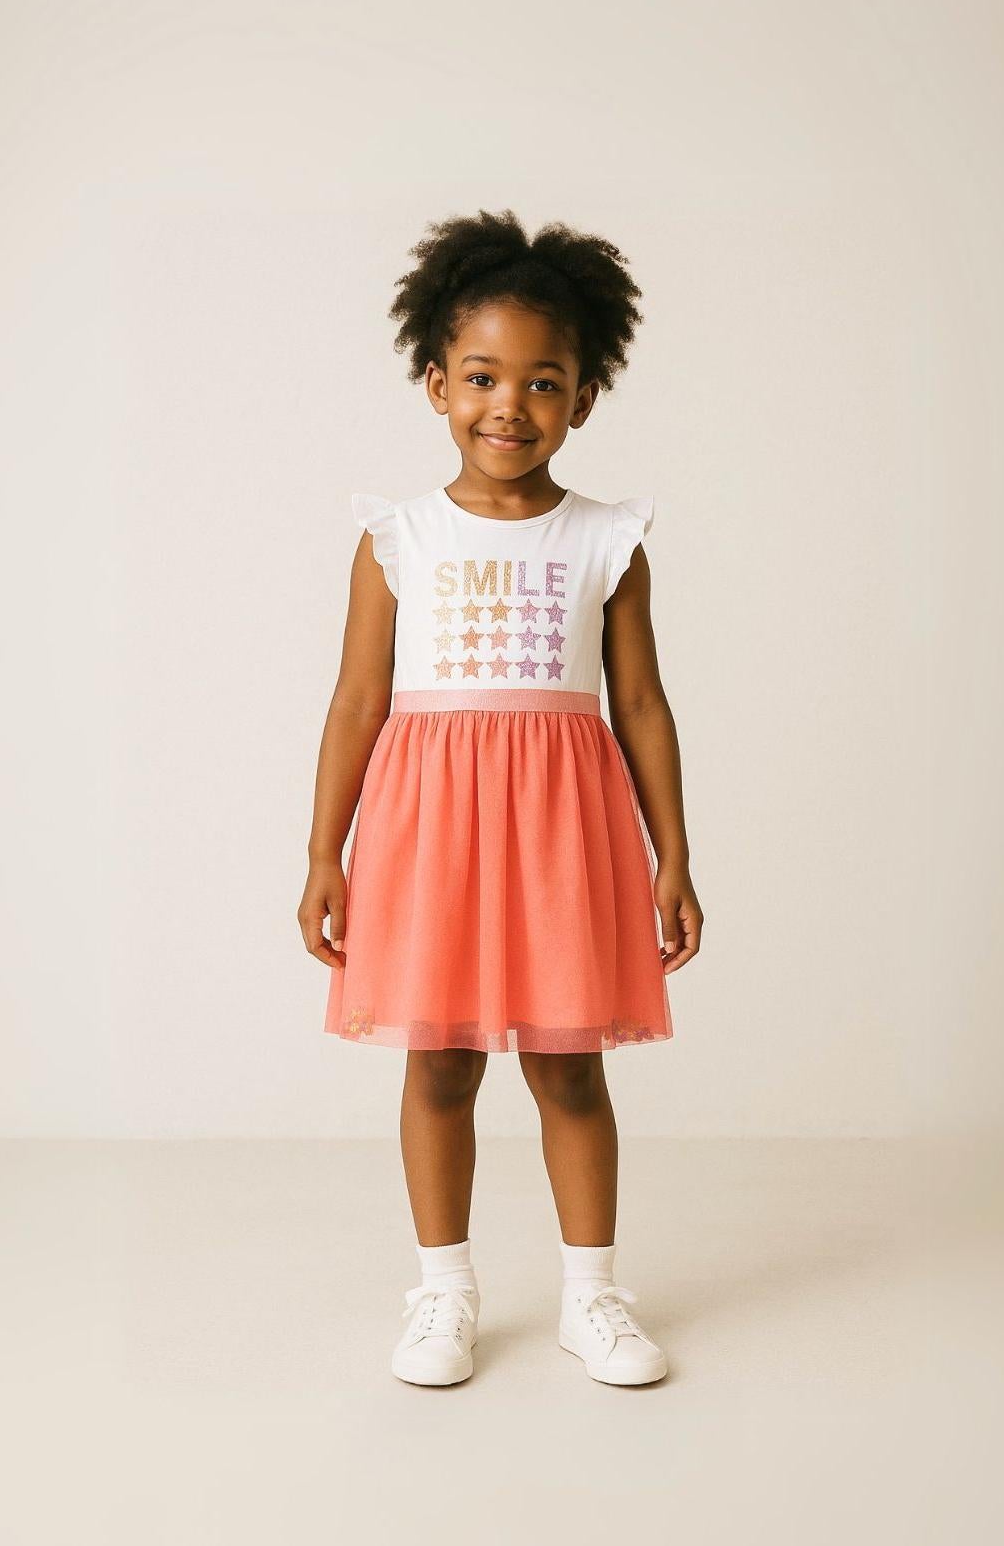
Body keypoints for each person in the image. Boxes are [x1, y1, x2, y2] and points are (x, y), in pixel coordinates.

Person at [299, 209, 704, 1388]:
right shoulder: (396, 536)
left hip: (562, 835)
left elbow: (641, 708)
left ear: (582, 399)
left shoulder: (608, 539)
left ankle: (593, 1296)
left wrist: (671, 854)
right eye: (480, 376)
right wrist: (325, 853)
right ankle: (444, 1294)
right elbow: (354, 702)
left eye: (542, 382)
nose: (507, 406)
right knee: (437, 1062)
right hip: (428, 833)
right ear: (435, 383)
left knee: (570, 1064)